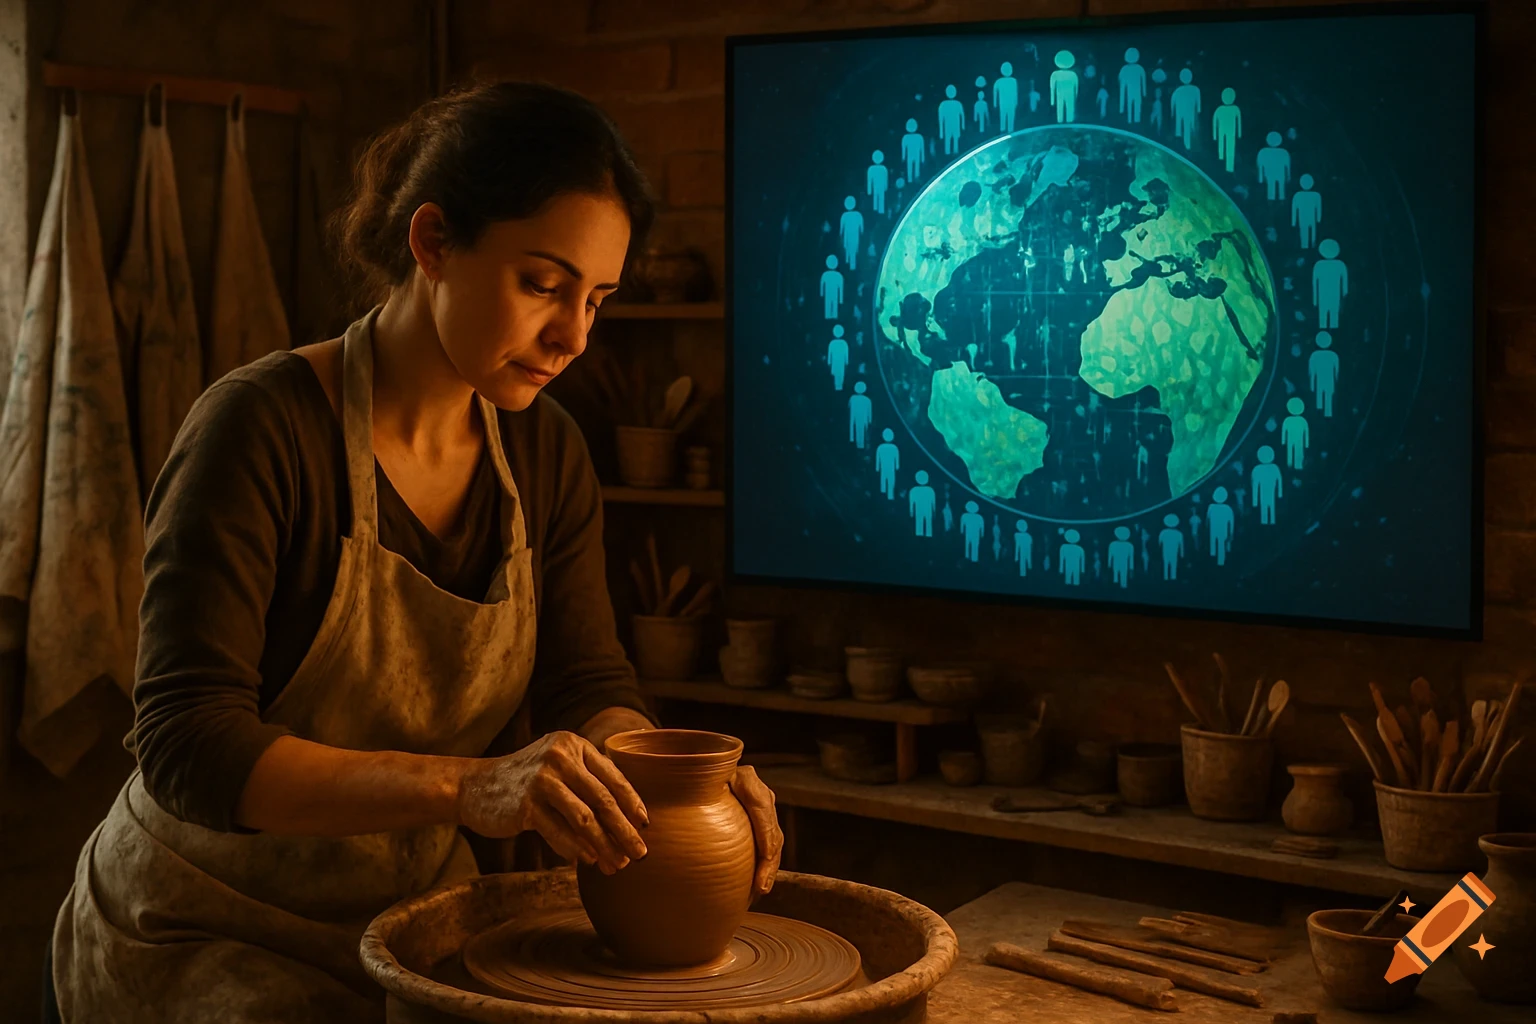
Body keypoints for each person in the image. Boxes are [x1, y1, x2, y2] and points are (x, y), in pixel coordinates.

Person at [43, 81, 782, 1024]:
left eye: (597, 299)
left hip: (411, 925)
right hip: (202, 925)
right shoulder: (261, 429)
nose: (572, 336)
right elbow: (188, 747)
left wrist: (657, 775)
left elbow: (583, 679)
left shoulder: (546, 450)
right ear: (432, 242)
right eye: (543, 285)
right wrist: (470, 787)